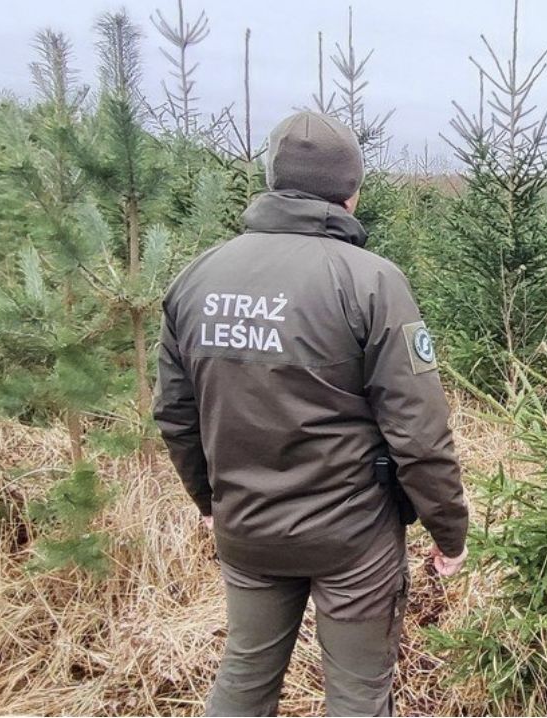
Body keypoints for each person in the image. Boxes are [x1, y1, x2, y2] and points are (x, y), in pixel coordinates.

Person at [153, 110, 469, 717]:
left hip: (247, 528)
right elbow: (420, 432)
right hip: (351, 537)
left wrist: (212, 504)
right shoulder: (371, 281)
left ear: (272, 180)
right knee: (357, 693)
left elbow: (175, 414)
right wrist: (448, 530)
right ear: (351, 190)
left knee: (244, 677)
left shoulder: (198, 278)